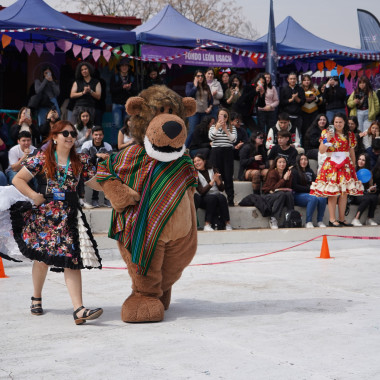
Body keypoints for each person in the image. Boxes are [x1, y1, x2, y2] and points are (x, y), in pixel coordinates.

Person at [7, 120, 103, 325]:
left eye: (73, 134)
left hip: (69, 215)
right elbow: (18, 179)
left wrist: (112, 185)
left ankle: (79, 309)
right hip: (45, 214)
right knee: (42, 260)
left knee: (72, 259)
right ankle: (36, 297)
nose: (70, 136)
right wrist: (34, 195)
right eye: (65, 133)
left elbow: (93, 182)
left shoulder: (81, 160)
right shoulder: (42, 157)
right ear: (55, 136)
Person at [309, 113, 364, 227]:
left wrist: (353, 165)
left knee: (344, 193)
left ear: (345, 123)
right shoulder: (326, 133)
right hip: (331, 165)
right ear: (333, 123)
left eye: (340, 122)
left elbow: (351, 151)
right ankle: (332, 219)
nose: (338, 124)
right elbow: (322, 150)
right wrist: (327, 139)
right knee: (333, 193)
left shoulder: (350, 135)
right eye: (336, 122)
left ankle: (342, 218)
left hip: (345, 165)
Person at [193, 154, 232, 231]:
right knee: (212, 198)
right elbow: (201, 192)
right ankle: (207, 224)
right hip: (204, 198)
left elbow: (221, 189)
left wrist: (217, 181)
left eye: (199, 160)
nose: (197, 163)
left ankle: (227, 223)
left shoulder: (213, 169)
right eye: (195, 162)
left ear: (204, 161)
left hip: (216, 196)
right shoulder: (195, 174)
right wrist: (212, 182)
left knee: (222, 197)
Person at [208, 108, 237, 206]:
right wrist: (217, 127)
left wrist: (226, 130)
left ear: (227, 117)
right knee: (216, 175)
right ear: (218, 116)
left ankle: (230, 199)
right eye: (221, 115)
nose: (223, 117)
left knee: (228, 176)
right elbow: (211, 137)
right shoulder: (213, 127)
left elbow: (233, 140)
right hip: (216, 151)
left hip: (228, 152)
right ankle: (216, 198)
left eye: (225, 115)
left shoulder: (232, 127)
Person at [291, 154, 327, 228]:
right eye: (301, 159)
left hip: (310, 193)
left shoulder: (309, 170)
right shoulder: (294, 171)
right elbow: (295, 186)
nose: (303, 161)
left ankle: (320, 221)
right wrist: (310, 189)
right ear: (298, 161)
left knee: (322, 197)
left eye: (305, 159)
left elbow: (315, 183)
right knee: (312, 198)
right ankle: (308, 221)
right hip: (298, 195)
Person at [81, 126, 113, 208]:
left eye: (100, 135)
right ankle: (92, 199)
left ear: (103, 136)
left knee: (106, 170)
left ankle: (107, 199)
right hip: (88, 169)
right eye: (96, 135)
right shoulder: (86, 144)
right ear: (92, 135)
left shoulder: (107, 146)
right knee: (94, 172)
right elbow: (84, 160)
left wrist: (106, 158)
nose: (98, 137)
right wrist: (96, 155)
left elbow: (111, 161)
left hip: (102, 170)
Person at [261, 156, 294, 229]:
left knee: (288, 194)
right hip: (268, 195)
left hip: (281, 195)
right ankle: (273, 218)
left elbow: (288, 188)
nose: (282, 164)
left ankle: (290, 217)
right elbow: (273, 188)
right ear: (276, 163)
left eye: (284, 162)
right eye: (280, 162)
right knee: (281, 194)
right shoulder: (272, 173)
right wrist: (284, 179)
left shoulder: (287, 173)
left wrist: (288, 178)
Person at [185, 70, 213, 147]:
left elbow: (211, 100)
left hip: (205, 112)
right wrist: (195, 86)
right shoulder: (190, 85)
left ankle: (196, 149)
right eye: (198, 76)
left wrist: (210, 107)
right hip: (195, 112)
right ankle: (184, 150)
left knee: (203, 131)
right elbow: (188, 95)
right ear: (195, 77)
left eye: (201, 76)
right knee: (192, 131)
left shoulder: (206, 86)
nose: (200, 77)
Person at [350, 153, 378, 226]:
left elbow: (370, 187)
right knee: (366, 198)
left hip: (364, 193)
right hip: (354, 194)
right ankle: (356, 219)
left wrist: (372, 188)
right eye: (359, 159)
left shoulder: (369, 173)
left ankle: (369, 219)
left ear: (367, 162)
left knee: (374, 197)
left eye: (363, 160)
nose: (360, 161)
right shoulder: (353, 171)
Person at [110, 57, 136, 129]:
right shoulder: (115, 77)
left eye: (126, 66)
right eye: (122, 66)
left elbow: (136, 91)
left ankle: (127, 140)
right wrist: (122, 88)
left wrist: (129, 88)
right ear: (119, 67)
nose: (124, 67)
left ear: (128, 67)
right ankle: (115, 141)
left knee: (128, 125)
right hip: (117, 104)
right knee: (116, 125)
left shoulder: (132, 77)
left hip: (128, 105)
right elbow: (111, 90)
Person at [300, 74, 322, 141]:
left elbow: (321, 100)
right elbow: (298, 101)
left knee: (314, 128)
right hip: (303, 112)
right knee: (304, 129)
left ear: (310, 81)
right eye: (305, 80)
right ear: (302, 81)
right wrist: (305, 99)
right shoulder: (300, 89)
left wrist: (315, 98)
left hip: (314, 112)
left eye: (308, 80)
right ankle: (305, 146)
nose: (307, 82)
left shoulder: (315, 89)